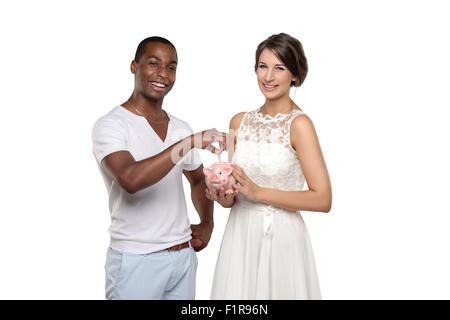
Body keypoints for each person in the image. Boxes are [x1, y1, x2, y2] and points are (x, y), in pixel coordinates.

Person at [91, 36, 226, 300]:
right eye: (153, 64)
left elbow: (198, 181)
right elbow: (130, 179)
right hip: (136, 261)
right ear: (134, 66)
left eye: (171, 67)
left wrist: (207, 223)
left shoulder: (180, 127)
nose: (163, 74)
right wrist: (188, 143)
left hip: (183, 257)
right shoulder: (111, 125)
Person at [207, 33, 332, 299]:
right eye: (263, 66)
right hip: (240, 235)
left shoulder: (300, 125)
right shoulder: (238, 121)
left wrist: (259, 192)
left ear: (295, 75)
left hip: (282, 238)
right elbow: (235, 192)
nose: (268, 77)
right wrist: (223, 196)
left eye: (279, 68)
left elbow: (323, 199)